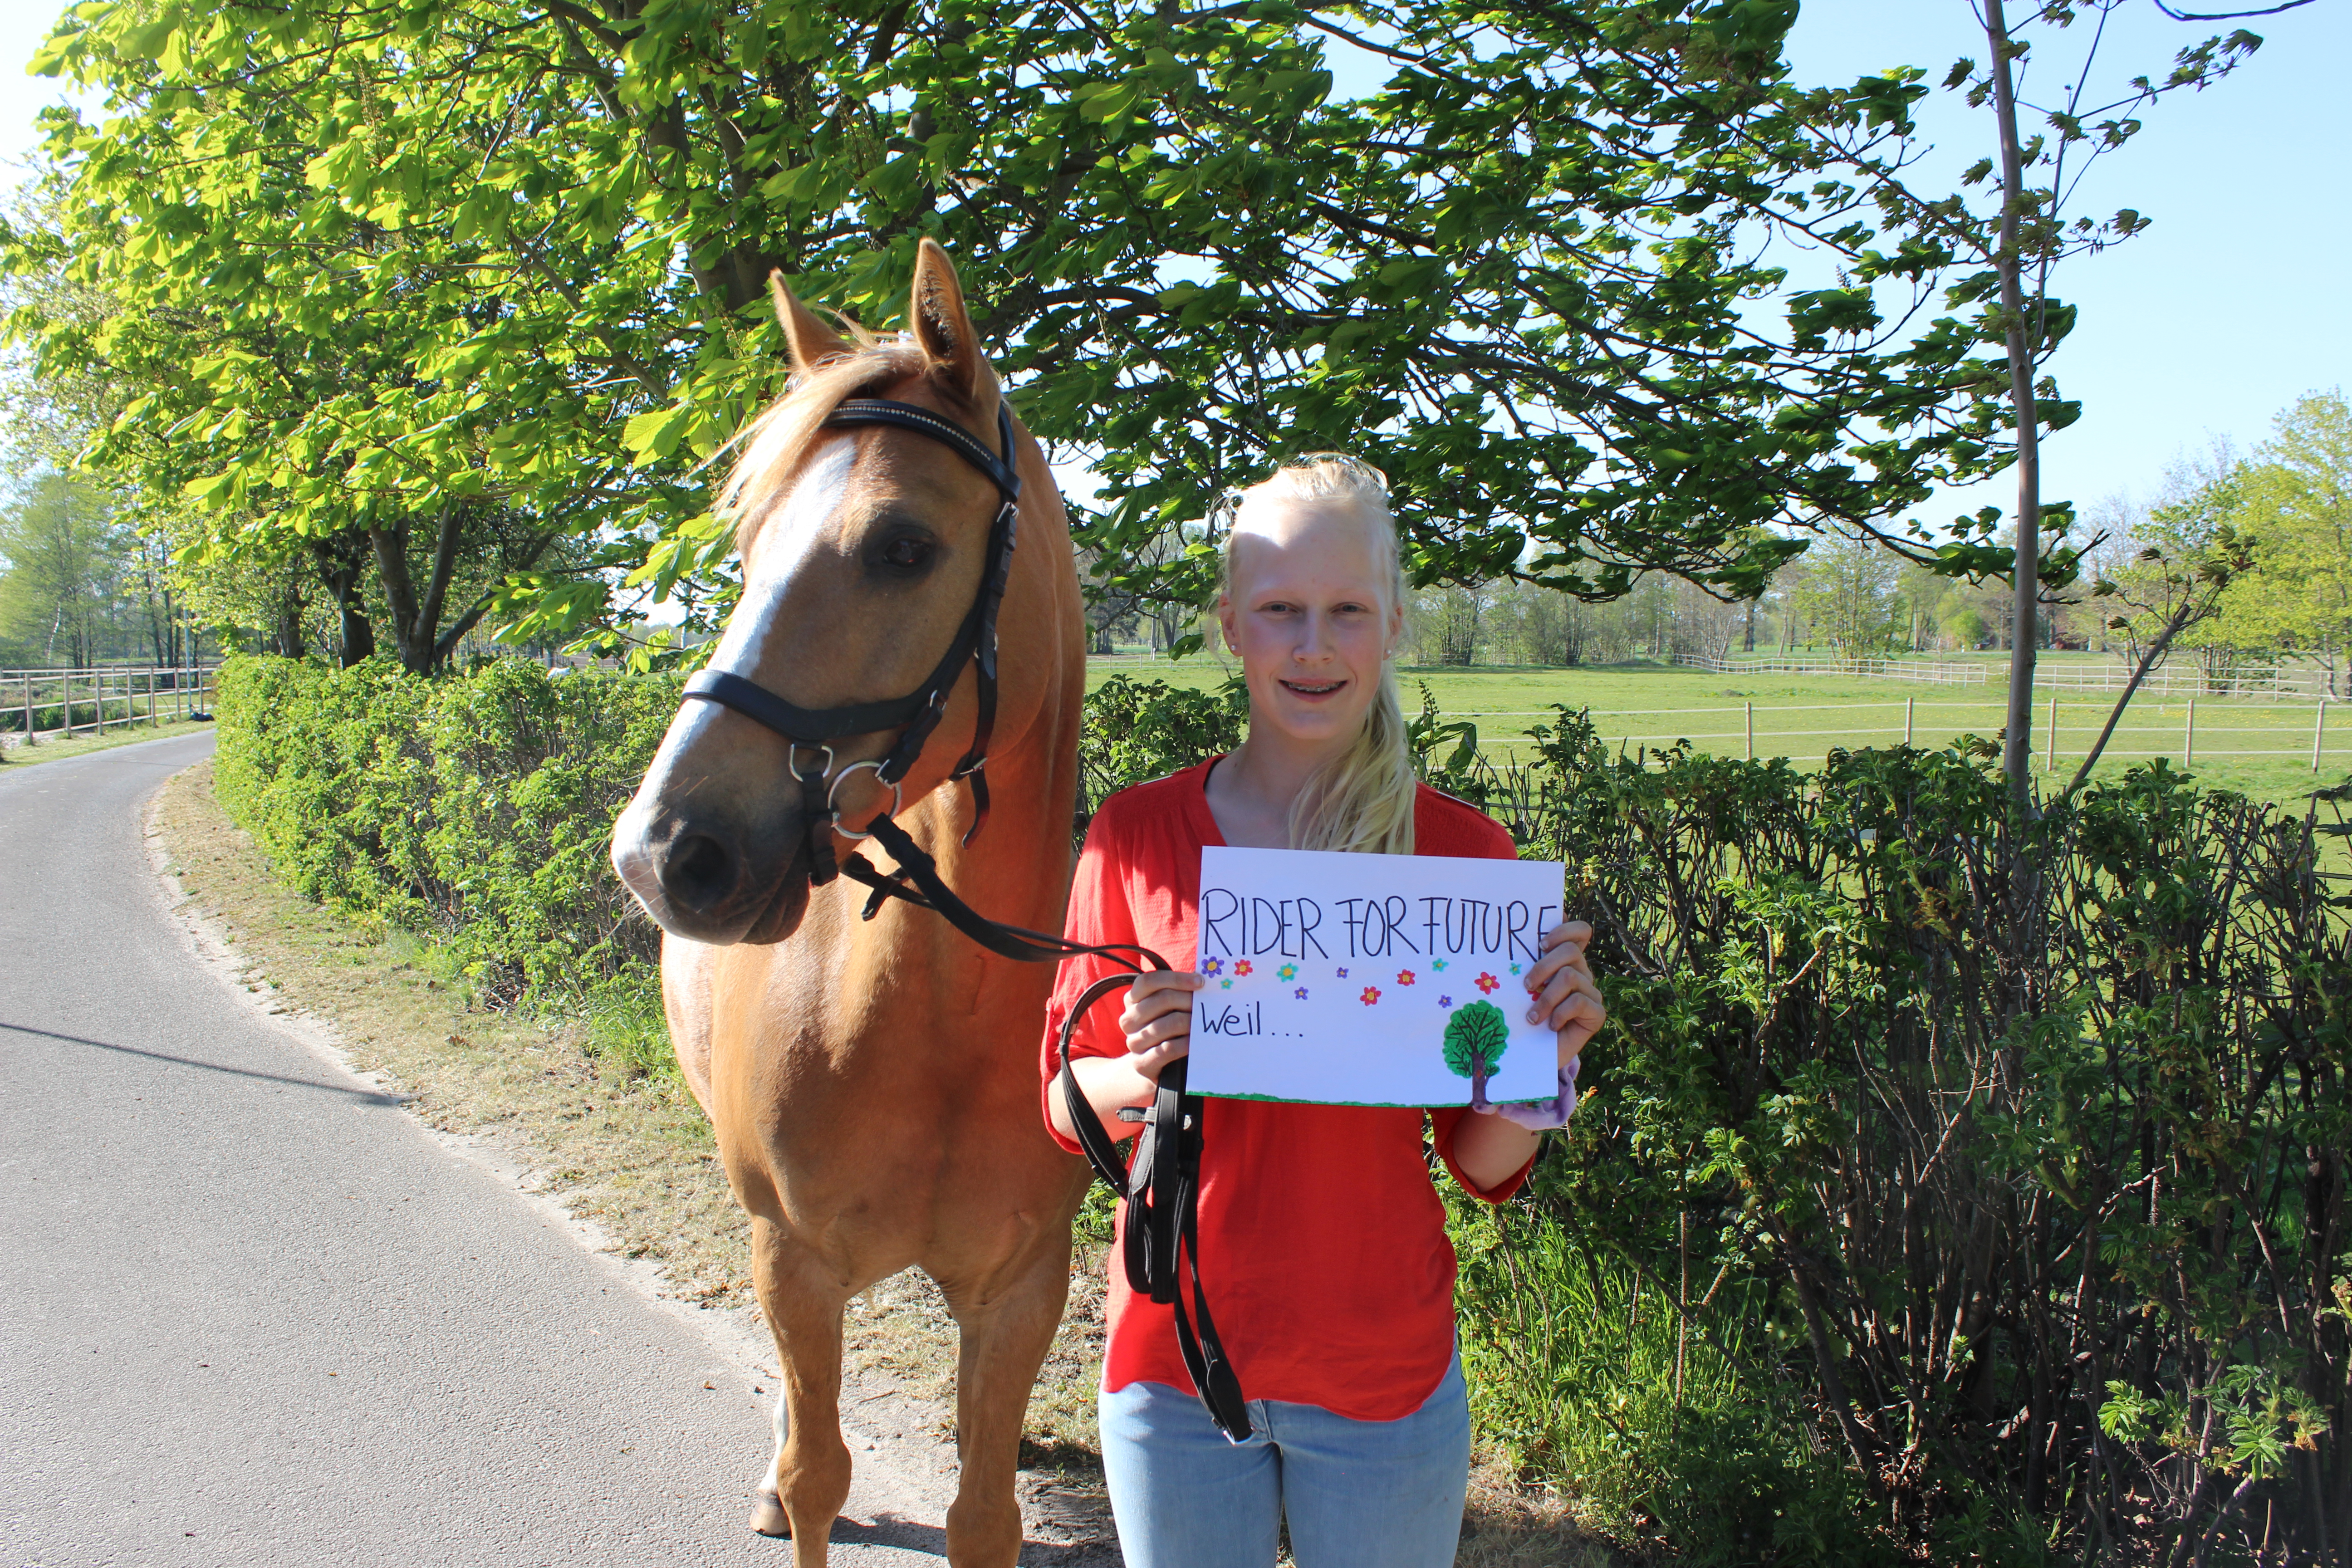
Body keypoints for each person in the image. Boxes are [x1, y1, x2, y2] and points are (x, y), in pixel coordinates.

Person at [1039, 454, 1606, 1568]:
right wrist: (1144, 1070)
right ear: (1231, 628)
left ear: (1393, 623)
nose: (1313, 645)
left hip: (1383, 1378)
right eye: (1280, 611)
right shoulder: (1135, 835)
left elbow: (1486, 1164)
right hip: (1173, 1369)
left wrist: (1546, 1059)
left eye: (1346, 611)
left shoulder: (1462, 856)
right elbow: (1063, 1104)